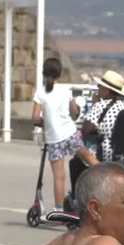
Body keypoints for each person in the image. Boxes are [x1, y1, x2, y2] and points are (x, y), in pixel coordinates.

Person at [31, 57, 98, 213]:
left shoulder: (40, 92)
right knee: (88, 158)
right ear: (59, 74)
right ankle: (109, 176)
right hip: (70, 133)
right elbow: (74, 112)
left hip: (54, 139)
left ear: (43, 73)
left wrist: (45, 122)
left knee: (59, 176)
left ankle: (59, 209)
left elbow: (34, 118)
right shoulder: (64, 91)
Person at [82, 70, 124, 162]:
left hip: (108, 154)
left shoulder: (100, 106)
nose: (98, 87)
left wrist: (94, 104)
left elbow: (86, 130)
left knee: (75, 162)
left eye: (100, 86)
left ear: (107, 91)